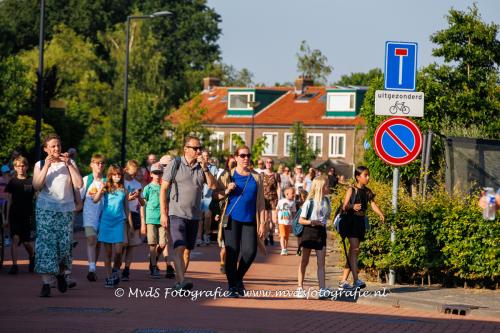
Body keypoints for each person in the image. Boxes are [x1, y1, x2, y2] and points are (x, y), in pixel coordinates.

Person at [159, 136, 216, 290]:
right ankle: (183, 281)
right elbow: (163, 189)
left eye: (200, 148)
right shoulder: (175, 164)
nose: (198, 151)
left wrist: (205, 167)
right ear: (186, 149)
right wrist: (163, 214)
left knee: (187, 252)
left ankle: (178, 283)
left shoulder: (202, 167)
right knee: (178, 247)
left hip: (194, 215)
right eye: (195, 148)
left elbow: (212, 185)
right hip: (176, 213)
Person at [32, 133, 83, 297]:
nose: (56, 149)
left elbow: (79, 184)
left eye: (58, 146)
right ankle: (46, 283)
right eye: (53, 146)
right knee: (46, 245)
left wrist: (69, 165)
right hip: (45, 209)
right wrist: (46, 166)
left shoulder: (70, 162)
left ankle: (61, 274)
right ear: (46, 149)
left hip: (65, 210)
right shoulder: (39, 164)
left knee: (64, 245)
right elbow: (36, 185)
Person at [215, 145, 266, 298]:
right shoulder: (227, 175)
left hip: (250, 219)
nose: (246, 159)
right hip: (231, 219)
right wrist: (226, 190)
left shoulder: (256, 177)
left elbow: (261, 203)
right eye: (243, 156)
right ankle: (232, 286)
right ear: (236, 157)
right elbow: (214, 195)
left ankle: (237, 278)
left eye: (248, 156)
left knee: (250, 252)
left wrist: (263, 222)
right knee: (232, 252)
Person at [339, 166, 385, 290]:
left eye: (368, 175)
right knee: (355, 249)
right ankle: (356, 280)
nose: (368, 177)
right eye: (366, 175)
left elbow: (373, 204)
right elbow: (344, 206)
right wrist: (352, 206)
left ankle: (343, 281)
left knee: (353, 252)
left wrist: (380, 214)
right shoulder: (351, 189)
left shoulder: (368, 191)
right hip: (351, 221)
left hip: (360, 222)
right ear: (358, 177)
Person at [93, 165, 129, 288]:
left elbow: (126, 209)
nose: (117, 177)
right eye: (114, 174)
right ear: (110, 175)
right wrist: (100, 189)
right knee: (108, 253)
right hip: (106, 222)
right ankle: (109, 277)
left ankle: (115, 269)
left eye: (119, 174)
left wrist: (129, 224)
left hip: (119, 222)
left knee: (119, 251)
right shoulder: (106, 187)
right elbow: (95, 200)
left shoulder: (124, 189)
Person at [296, 176, 332, 300]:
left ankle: (322, 289)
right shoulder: (309, 202)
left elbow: (327, 217)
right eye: (326, 186)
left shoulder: (327, 201)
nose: (328, 187)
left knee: (321, 263)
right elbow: (301, 220)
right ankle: (300, 288)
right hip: (309, 232)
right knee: (304, 261)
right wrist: (312, 222)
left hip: (321, 232)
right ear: (319, 188)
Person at [141, 163, 175, 279]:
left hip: (162, 218)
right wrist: (143, 221)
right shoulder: (148, 188)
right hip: (151, 218)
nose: (157, 175)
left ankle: (153, 259)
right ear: (151, 174)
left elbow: (168, 201)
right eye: (155, 173)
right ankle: (154, 267)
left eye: (160, 173)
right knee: (152, 243)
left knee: (163, 243)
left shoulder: (164, 188)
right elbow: (143, 204)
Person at [4, 156, 35, 274]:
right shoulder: (12, 182)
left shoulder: (31, 181)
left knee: (26, 242)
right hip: (14, 214)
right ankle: (14, 265)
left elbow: (37, 196)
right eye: (18, 166)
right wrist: (6, 218)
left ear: (26, 166)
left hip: (27, 215)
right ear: (15, 167)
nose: (20, 168)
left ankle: (32, 256)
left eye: (23, 165)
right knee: (15, 238)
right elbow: (9, 201)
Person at [80, 154, 107, 282]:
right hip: (89, 216)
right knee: (92, 240)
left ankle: (93, 267)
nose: (100, 165)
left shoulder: (107, 181)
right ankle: (91, 269)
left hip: (104, 216)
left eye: (102, 163)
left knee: (98, 243)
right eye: (97, 163)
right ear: (91, 164)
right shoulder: (86, 180)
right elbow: (79, 199)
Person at [122, 160, 145, 281]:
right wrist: (129, 198)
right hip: (122, 215)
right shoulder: (121, 182)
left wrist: (139, 197)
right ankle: (117, 267)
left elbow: (142, 203)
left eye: (135, 174)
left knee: (133, 245)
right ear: (125, 170)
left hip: (135, 214)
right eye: (131, 174)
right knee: (122, 244)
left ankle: (126, 269)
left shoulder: (138, 184)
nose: (133, 176)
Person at [214, 156, 237, 274]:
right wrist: (227, 190)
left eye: (235, 163)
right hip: (226, 213)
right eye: (232, 163)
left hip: (239, 213)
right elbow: (216, 195)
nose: (234, 165)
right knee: (224, 241)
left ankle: (231, 264)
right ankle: (223, 262)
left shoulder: (243, 176)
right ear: (227, 164)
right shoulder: (223, 176)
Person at [197, 150, 219, 246]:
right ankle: (198, 237)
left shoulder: (213, 168)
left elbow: (215, 182)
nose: (205, 158)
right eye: (203, 156)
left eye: (207, 156)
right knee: (199, 218)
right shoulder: (197, 167)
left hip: (208, 197)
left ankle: (206, 235)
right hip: (198, 196)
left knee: (207, 216)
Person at [263, 158, 280, 246]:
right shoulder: (261, 174)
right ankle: (265, 237)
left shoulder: (276, 175)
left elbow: (278, 188)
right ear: (265, 163)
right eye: (267, 162)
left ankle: (271, 234)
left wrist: (280, 199)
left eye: (271, 162)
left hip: (274, 199)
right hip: (264, 199)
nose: (269, 163)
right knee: (265, 220)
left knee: (274, 220)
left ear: (273, 164)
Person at [276, 187, 296, 256]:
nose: (294, 195)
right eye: (292, 193)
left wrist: (293, 220)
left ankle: (285, 248)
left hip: (289, 222)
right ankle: (283, 249)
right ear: (287, 194)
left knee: (287, 237)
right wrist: (276, 218)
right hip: (281, 221)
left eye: (294, 193)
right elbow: (277, 209)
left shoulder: (293, 203)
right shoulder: (281, 201)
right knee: (282, 235)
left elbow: (293, 212)